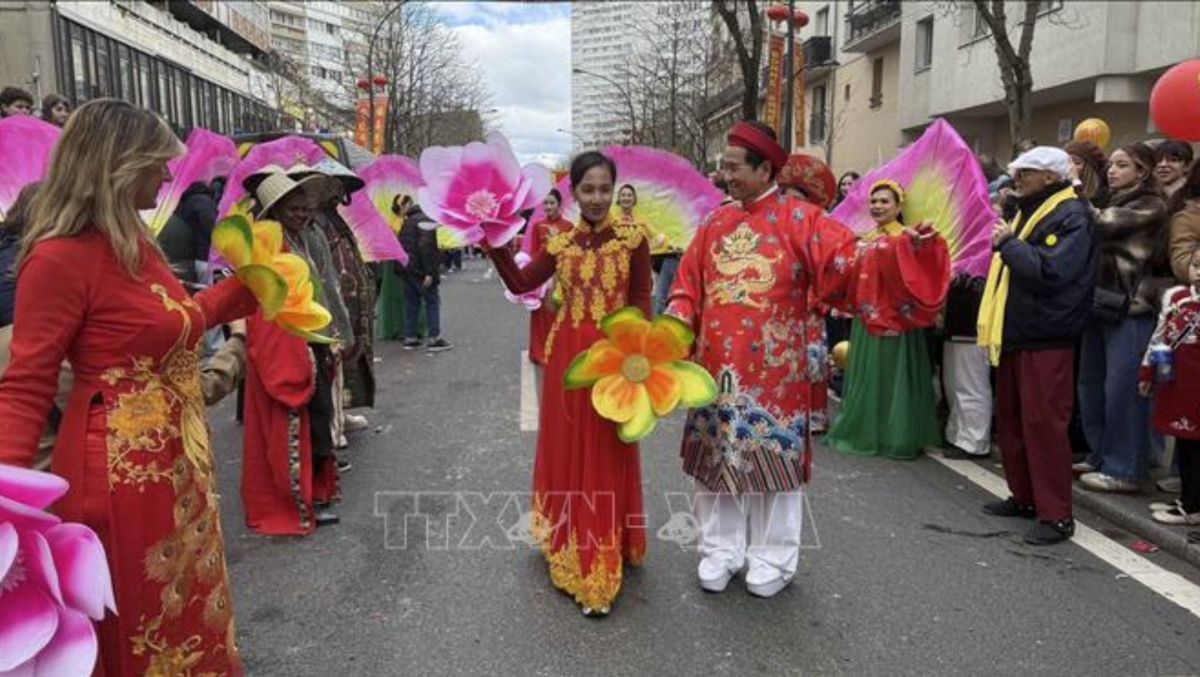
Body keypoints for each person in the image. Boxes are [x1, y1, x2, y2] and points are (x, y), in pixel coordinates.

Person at [0, 98, 257, 675]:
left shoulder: (135, 246)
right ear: (119, 165)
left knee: (183, 612)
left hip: (173, 467)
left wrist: (246, 290)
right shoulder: (58, 259)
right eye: (157, 163)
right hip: (118, 478)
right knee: (140, 626)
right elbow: (25, 385)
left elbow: (169, 322)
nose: (168, 175)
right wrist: (5, 510)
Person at [667, 121, 949, 597]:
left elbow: (851, 262)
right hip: (715, 369)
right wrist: (674, 325)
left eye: (734, 167)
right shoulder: (714, 223)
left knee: (773, 467)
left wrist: (902, 248)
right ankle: (719, 550)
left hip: (777, 373)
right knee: (715, 463)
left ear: (764, 168)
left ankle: (774, 558)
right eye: (724, 166)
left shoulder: (803, 219)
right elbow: (687, 286)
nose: (725, 175)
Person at [486, 151, 652, 616]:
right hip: (565, 361)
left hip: (615, 358)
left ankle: (603, 551)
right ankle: (569, 539)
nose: (597, 199)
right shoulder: (559, 244)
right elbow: (521, 283)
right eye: (587, 189)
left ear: (615, 190)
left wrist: (643, 359)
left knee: (604, 450)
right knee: (567, 449)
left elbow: (640, 298)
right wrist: (493, 239)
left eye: (604, 189)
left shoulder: (633, 239)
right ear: (573, 192)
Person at [978, 146, 1097, 545]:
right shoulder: (1030, 208)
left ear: (1049, 177)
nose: (1017, 179)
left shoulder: (1072, 215)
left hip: (1047, 333)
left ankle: (1056, 514)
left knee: (1044, 425)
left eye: (1025, 172)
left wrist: (1009, 244)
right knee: (1012, 420)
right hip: (1019, 330)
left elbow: (1052, 271)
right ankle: (1025, 496)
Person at [241, 171, 342, 534]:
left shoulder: (302, 239)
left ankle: (317, 492)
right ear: (275, 210)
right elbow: (267, 308)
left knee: (320, 420)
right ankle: (305, 498)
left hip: (313, 339)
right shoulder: (267, 247)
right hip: (289, 345)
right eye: (294, 209)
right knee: (303, 424)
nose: (303, 214)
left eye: (306, 208)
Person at [1076, 143, 1171, 493]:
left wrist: (1074, 191)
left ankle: (1125, 468)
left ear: (1142, 171)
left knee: (1123, 390)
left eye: (1122, 165)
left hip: (1131, 307)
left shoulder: (1151, 204)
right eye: (1111, 165)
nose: (1111, 171)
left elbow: (1100, 225)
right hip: (1098, 302)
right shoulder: (1107, 198)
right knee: (1091, 384)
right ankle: (1100, 454)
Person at [825, 179, 942, 460]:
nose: (878, 206)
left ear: (899, 206)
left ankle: (895, 434)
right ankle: (869, 429)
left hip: (896, 321)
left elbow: (919, 273)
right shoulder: (865, 238)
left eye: (885, 201)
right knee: (868, 375)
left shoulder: (908, 237)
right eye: (874, 201)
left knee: (893, 376)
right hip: (867, 319)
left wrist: (913, 245)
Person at [301, 159, 377, 441]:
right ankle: (331, 423)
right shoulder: (312, 220)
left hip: (346, 300)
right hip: (326, 301)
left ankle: (341, 413)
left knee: (346, 361)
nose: (338, 190)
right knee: (329, 362)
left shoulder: (331, 216)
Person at [1139, 247, 1200, 524]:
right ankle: (1189, 496)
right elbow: (1159, 337)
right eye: (1196, 265)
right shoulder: (1176, 297)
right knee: (1183, 443)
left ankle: (1193, 506)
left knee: (1195, 446)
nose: (1199, 272)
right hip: (1177, 383)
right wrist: (1147, 372)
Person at [397, 197, 451, 351]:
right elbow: (426, 247)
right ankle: (434, 338)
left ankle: (410, 338)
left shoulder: (407, 222)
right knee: (432, 302)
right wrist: (429, 272)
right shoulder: (426, 221)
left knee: (411, 304)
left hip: (407, 269)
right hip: (421, 270)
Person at [525, 188, 572, 366]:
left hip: (561, 275)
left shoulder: (568, 226)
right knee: (540, 314)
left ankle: (559, 351)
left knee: (559, 314)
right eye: (545, 203)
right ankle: (538, 352)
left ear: (559, 205)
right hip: (542, 276)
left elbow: (571, 253)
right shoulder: (538, 226)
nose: (548, 206)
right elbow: (534, 252)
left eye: (552, 203)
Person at [1065, 140, 1110, 208]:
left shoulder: (1101, 195)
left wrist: (1076, 183)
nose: (1070, 167)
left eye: (1077, 163)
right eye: (1066, 162)